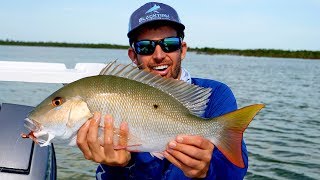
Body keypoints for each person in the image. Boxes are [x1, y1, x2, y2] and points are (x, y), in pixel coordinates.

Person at [76, 2, 248, 179]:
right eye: (145, 47)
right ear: (133, 56)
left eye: (170, 44)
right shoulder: (118, 100)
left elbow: (235, 170)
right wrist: (119, 166)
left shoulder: (214, 94)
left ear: (182, 50)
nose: (159, 55)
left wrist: (206, 171)